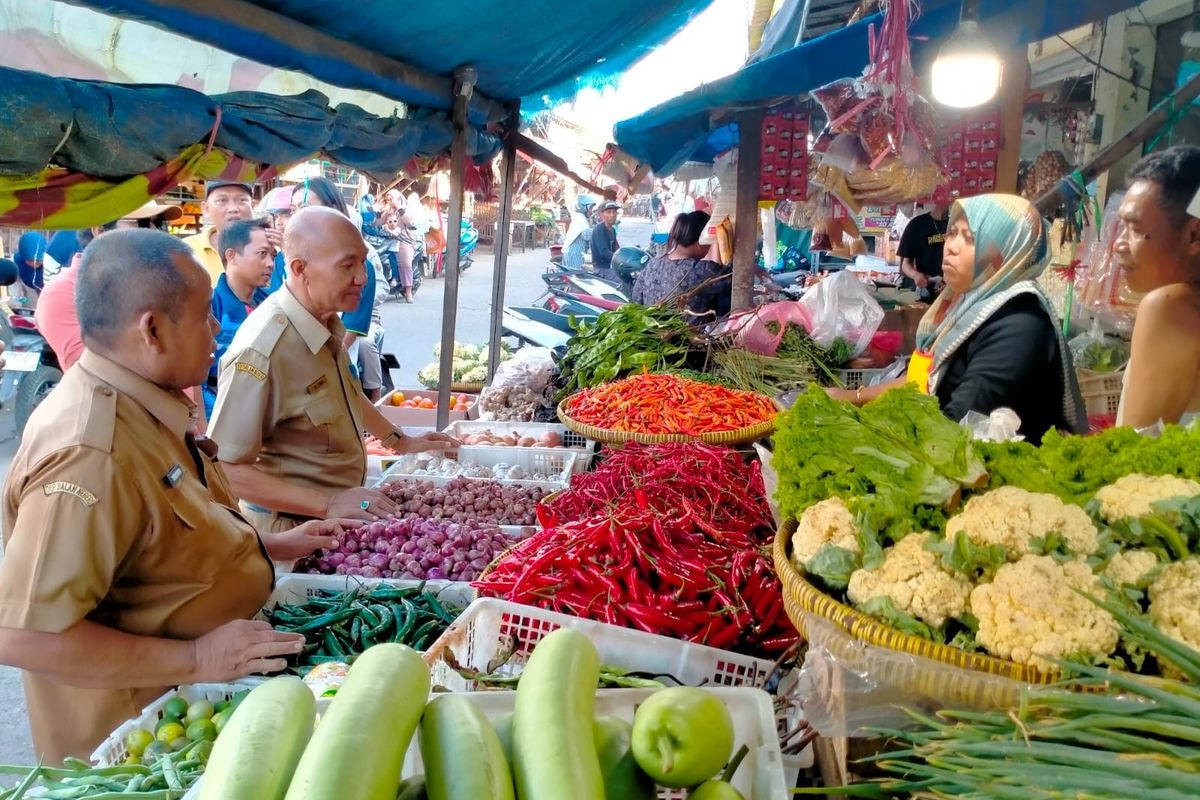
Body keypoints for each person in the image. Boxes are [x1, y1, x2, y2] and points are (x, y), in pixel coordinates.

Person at [0, 229, 354, 762]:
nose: (216, 328)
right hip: (139, 740)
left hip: (197, 702)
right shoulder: (91, 452)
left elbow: (167, 527)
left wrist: (268, 544)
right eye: (202, 315)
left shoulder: (146, 400)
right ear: (153, 329)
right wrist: (196, 658)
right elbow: (22, 636)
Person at [207, 207, 455, 534]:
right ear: (300, 269)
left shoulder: (323, 319)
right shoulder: (263, 350)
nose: (363, 278)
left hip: (340, 520)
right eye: (347, 265)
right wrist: (327, 505)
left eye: (363, 262)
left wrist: (402, 442)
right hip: (292, 532)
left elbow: (347, 396)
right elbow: (225, 468)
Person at [832, 194, 1086, 444]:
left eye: (970, 238)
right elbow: (925, 378)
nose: (951, 246)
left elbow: (957, 429)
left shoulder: (1019, 325)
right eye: (952, 233)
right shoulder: (964, 306)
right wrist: (852, 397)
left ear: (1005, 252)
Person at [37, 204, 185, 372]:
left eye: (159, 224)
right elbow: (101, 375)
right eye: (142, 223)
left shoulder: (161, 283)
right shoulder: (62, 293)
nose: (156, 234)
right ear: (100, 230)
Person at [1114, 146, 1200, 428]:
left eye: (1136, 229)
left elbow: (1135, 449)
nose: (1119, 244)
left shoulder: (1169, 307)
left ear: (1193, 235)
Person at [290, 177, 381, 375]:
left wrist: (322, 366)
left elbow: (352, 328)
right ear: (298, 269)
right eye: (293, 209)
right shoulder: (283, 261)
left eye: (305, 206)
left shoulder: (363, 267)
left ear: (332, 209)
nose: (360, 277)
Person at [203, 219, 274, 418]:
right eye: (262, 254)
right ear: (232, 256)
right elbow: (199, 383)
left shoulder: (272, 305)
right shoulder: (208, 307)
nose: (270, 263)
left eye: (273, 255)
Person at [632, 211, 731, 321]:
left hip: (651, 335)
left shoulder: (652, 265)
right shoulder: (704, 270)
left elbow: (636, 301)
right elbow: (738, 279)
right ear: (702, 241)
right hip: (688, 337)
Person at [184, 181, 255, 287]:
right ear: (206, 208)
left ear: (253, 206)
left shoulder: (271, 249)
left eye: (242, 200)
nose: (233, 209)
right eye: (222, 201)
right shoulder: (185, 250)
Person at [897, 198, 951, 298]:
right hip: (925, 292)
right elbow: (905, 264)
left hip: (951, 292)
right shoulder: (917, 225)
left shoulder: (957, 225)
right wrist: (915, 275)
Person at [11, 231, 47, 308]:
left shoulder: (51, 264)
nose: (35, 264)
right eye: (30, 261)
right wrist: (16, 304)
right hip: (28, 303)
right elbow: (15, 290)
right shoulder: (16, 264)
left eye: (38, 261)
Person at [591, 201, 621, 282]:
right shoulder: (599, 229)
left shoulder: (613, 230)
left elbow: (617, 250)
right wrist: (619, 258)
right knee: (623, 282)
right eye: (608, 212)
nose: (612, 215)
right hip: (601, 269)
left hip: (611, 267)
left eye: (614, 212)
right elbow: (603, 252)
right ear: (601, 215)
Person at [563, 196, 596, 269]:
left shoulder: (579, 217)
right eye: (590, 208)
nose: (591, 211)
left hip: (572, 253)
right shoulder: (580, 220)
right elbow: (586, 235)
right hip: (575, 255)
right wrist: (601, 229)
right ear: (583, 208)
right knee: (576, 276)